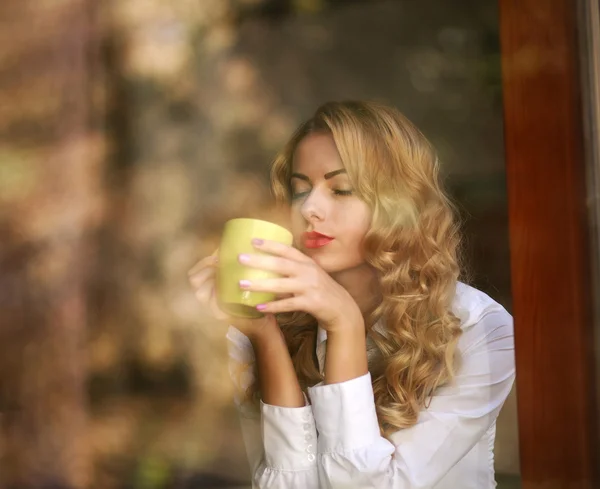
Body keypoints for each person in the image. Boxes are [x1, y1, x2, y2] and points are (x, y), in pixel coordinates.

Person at [188, 101, 515, 489]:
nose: (310, 208)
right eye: (299, 191)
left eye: (341, 190)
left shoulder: (479, 330)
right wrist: (264, 335)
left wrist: (343, 322)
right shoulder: (258, 331)